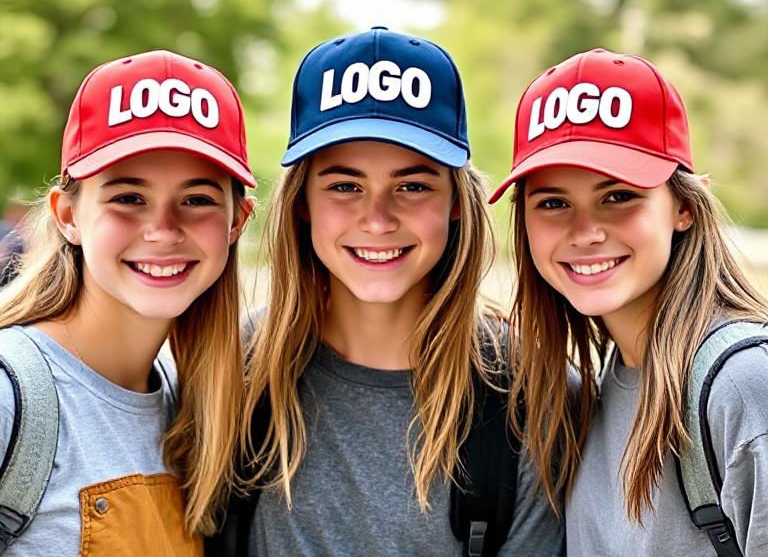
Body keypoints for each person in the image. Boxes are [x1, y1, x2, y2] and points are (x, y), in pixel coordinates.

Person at [214, 27, 563, 556]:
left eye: (413, 186)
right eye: (345, 186)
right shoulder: (232, 371)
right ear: (303, 201)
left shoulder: (528, 395)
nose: (377, 220)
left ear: (454, 202)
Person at [489, 48, 768, 556]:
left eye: (618, 196)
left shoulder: (742, 386)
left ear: (683, 206)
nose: (586, 232)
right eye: (553, 203)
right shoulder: (600, 385)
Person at [0, 49, 256, 555]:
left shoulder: (200, 407)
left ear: (236, 222)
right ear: (68, 216)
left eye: (197, 199)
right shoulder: (10, 395)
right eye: (129, 198)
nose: (163, 230)